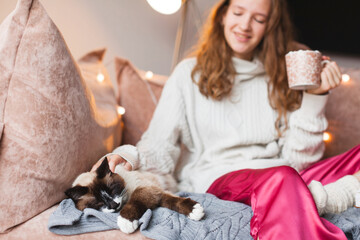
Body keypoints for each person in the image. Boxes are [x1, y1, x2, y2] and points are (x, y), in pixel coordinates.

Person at [92, 0, 360, 239]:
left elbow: (299, 161)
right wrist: (128, 157)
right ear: (222, 15)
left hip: (286, 177)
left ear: (270, 26)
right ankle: (326, 198)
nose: (245, 25)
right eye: (239, 12)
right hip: (224, 180)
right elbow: (159, 146)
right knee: (281, 178)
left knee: (302, 171)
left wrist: (315, 96)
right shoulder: (189, 74)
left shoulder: (282, 76)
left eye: (258, 19)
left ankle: (298, 198)